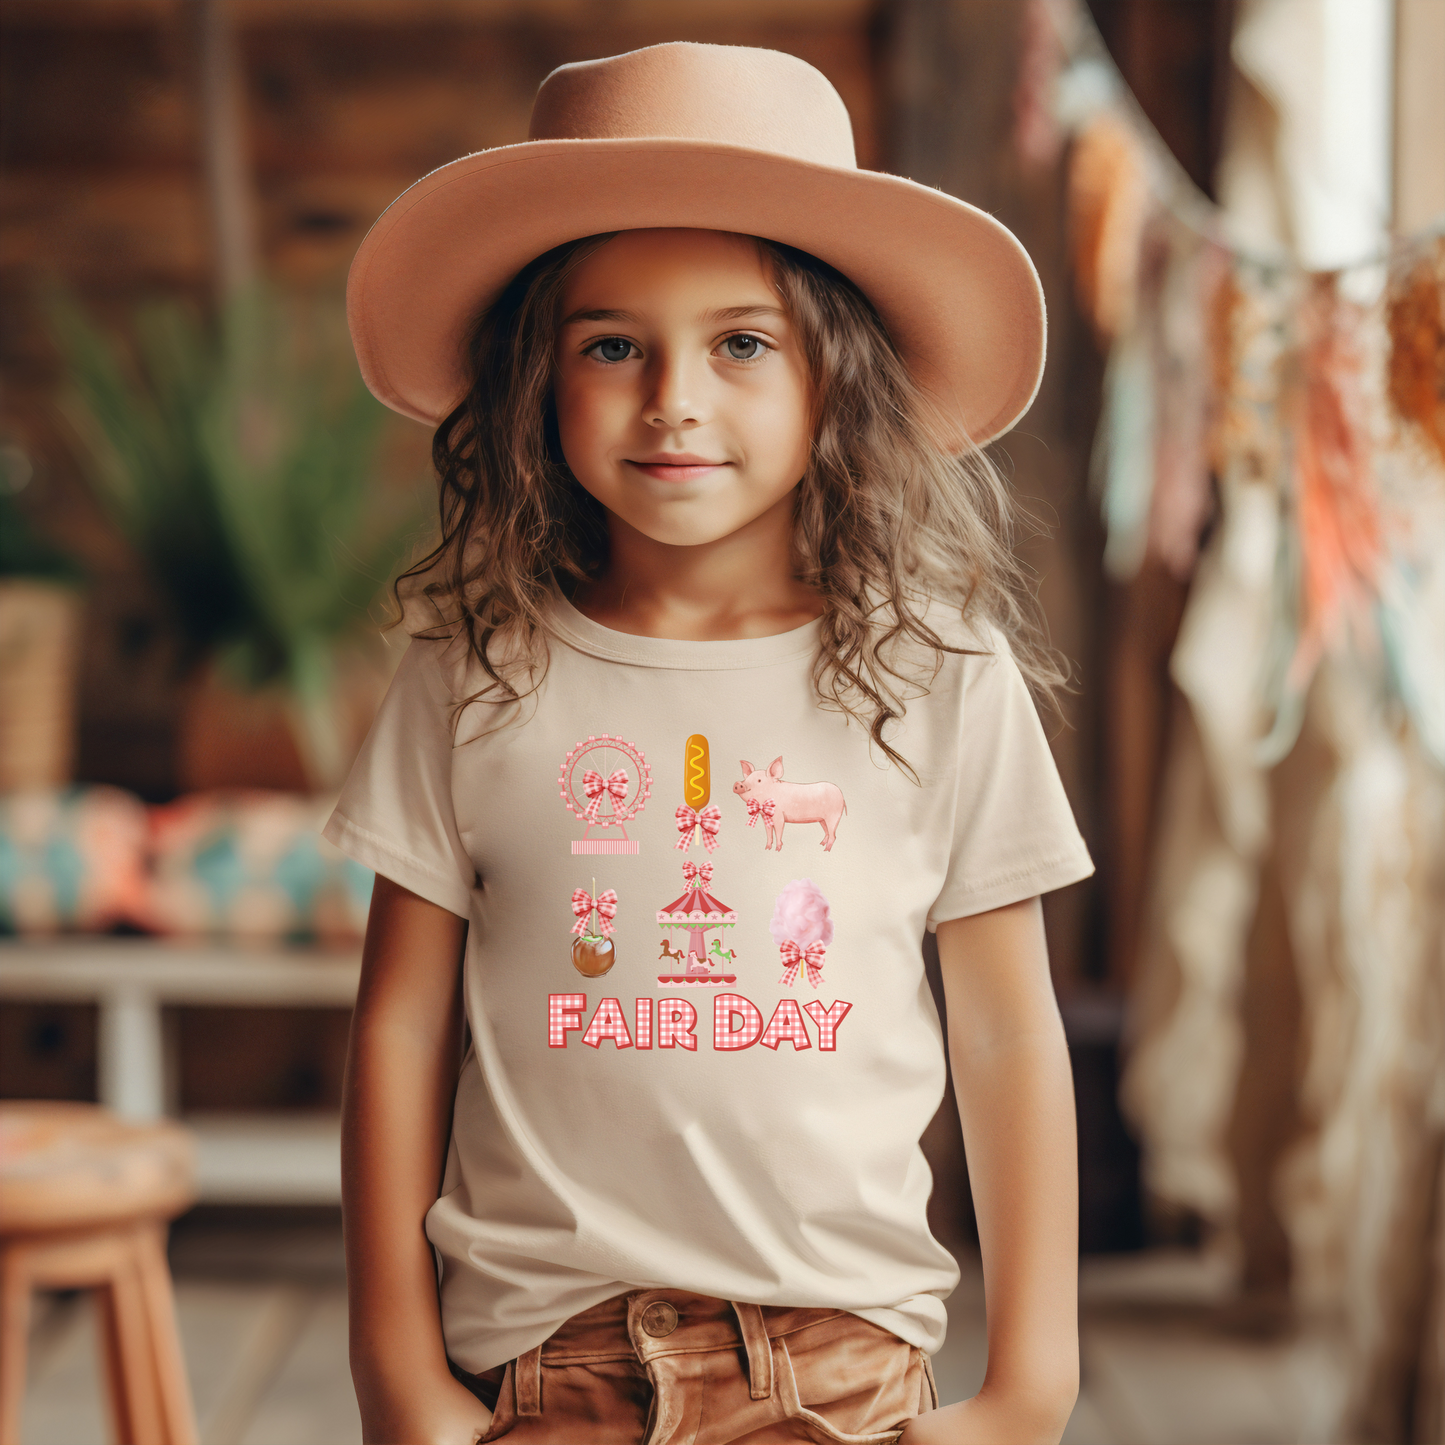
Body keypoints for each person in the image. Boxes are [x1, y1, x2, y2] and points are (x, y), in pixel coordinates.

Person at [329, 41, 1092, 1445]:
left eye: (742, 342)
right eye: (612, 345)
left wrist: (1033, 1384)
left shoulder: (942, 674)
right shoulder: (471, 669)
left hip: (846, 1370)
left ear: (836, 377)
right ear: (533, 387)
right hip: (545, 1369)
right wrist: (395, 1370)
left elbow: (1005, 1031)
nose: (673, 396)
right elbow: (398, 1026)